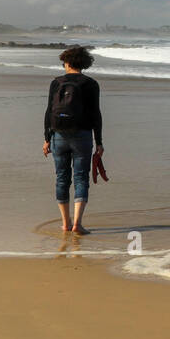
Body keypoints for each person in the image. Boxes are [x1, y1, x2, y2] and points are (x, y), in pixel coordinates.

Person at [42, 45, 104, 235]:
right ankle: (78, 223)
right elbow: (96, 114)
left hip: (58, 135)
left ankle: (65, 223)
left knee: (62, 179)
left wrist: (46, 138)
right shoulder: (91, 84)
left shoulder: (56, 82)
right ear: (84, 64)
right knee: (80, 178)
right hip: (83, 136)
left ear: (66, 62)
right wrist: (99, 142)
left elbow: (48, 111)